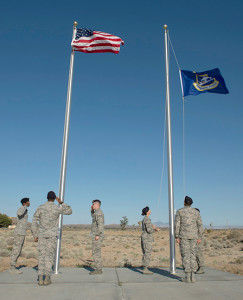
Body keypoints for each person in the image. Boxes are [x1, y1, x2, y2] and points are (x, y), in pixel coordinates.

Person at [31, 191, 72, 285]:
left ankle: (40, 278)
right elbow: (69, 211)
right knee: (49, 256)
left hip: (41, 235)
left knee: (42, 255)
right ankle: (47, 278)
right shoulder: (57, 208)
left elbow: (34, 221)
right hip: (52, 235)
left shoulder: (40, 207)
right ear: (54, 198)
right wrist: (61, 202)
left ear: (47, 197)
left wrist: (35, 234)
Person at [175, 196, 203, 283]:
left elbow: (177, 225)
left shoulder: (180, 211)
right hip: (194, 236)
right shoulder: (196, 212)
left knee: (186, 256)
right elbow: (200, 225)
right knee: (193, 255)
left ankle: (187, 276)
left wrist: (176, 236)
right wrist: (200, 236)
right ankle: (193, 276)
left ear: (184, 202)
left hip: (184, 237)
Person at [9, 198, 30, 274]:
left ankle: (13, 266)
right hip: (19, 232)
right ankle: (12, 267)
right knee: (16, 250)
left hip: (22, 232)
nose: (29, 203)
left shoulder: (25, 209)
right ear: (25, 202)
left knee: (18, 250)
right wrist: (24, 206)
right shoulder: (22, 208)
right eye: (28, 202)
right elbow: (19, 214)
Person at [141, 206, 159, 275]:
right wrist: (155, 229)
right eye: (149, 210)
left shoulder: (145, 219)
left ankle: (145, 267)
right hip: (147, 238)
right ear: (147, 211)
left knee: (146, 253)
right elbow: (149, 230)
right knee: (147, 253)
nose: (150, 210)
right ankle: (145, 269)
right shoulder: (147, 219)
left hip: (145, 237)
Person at [90, 199, 104, 275]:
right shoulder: (96, 213)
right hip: (95, 235)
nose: (92, 205)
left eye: (93, 204)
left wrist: (98, 234)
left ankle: (98, 269)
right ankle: (98, 268)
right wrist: (92, 210)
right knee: (95, 252)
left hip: (97, 236)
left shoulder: (99, 213)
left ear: (97, 204)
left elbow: (100, 225)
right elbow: (93, 217)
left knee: (96, 252)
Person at [195, 208, 205, 274]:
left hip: (198, 239)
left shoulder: (198, 220)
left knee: (199, 253)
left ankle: (201, 267)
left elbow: (200, 230)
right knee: (195, 253)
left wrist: (199, 238)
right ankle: (199, 267)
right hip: (195, 238)